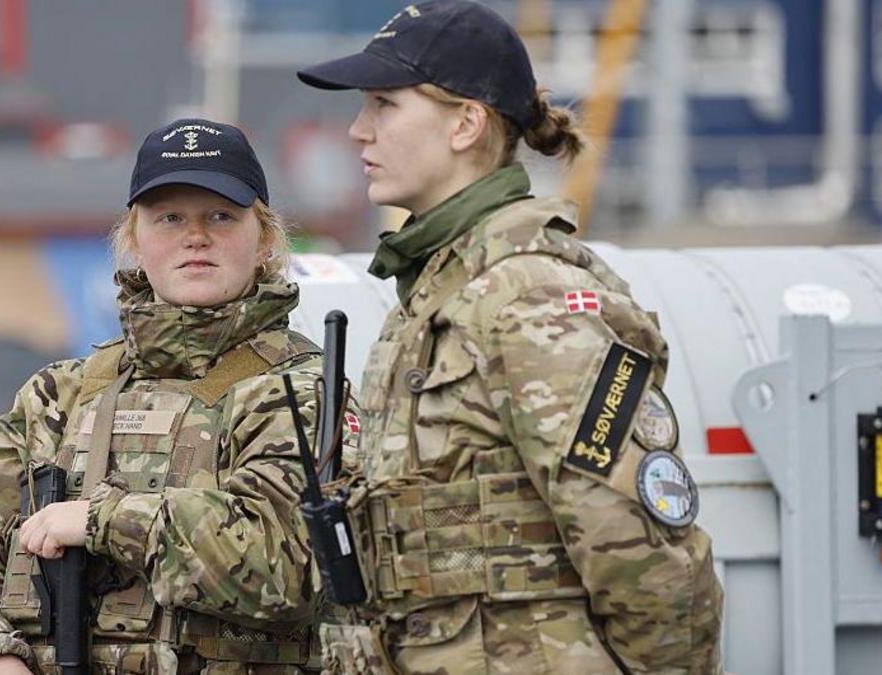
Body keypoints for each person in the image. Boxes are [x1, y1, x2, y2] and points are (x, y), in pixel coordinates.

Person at [296, 2, 723, 673]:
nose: (358, 131)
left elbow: (637, 548)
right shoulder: (440, 290)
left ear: (466, 122)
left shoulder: (530, 294)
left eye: (383, 104)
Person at [0, 118, 357, 675]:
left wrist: (103, 520)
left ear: (264, 239)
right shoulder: (59, 397)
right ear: (134, 240)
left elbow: (288, 565)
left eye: (221, 216)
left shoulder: (300, 392)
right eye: (170, 218)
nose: (196, 236)